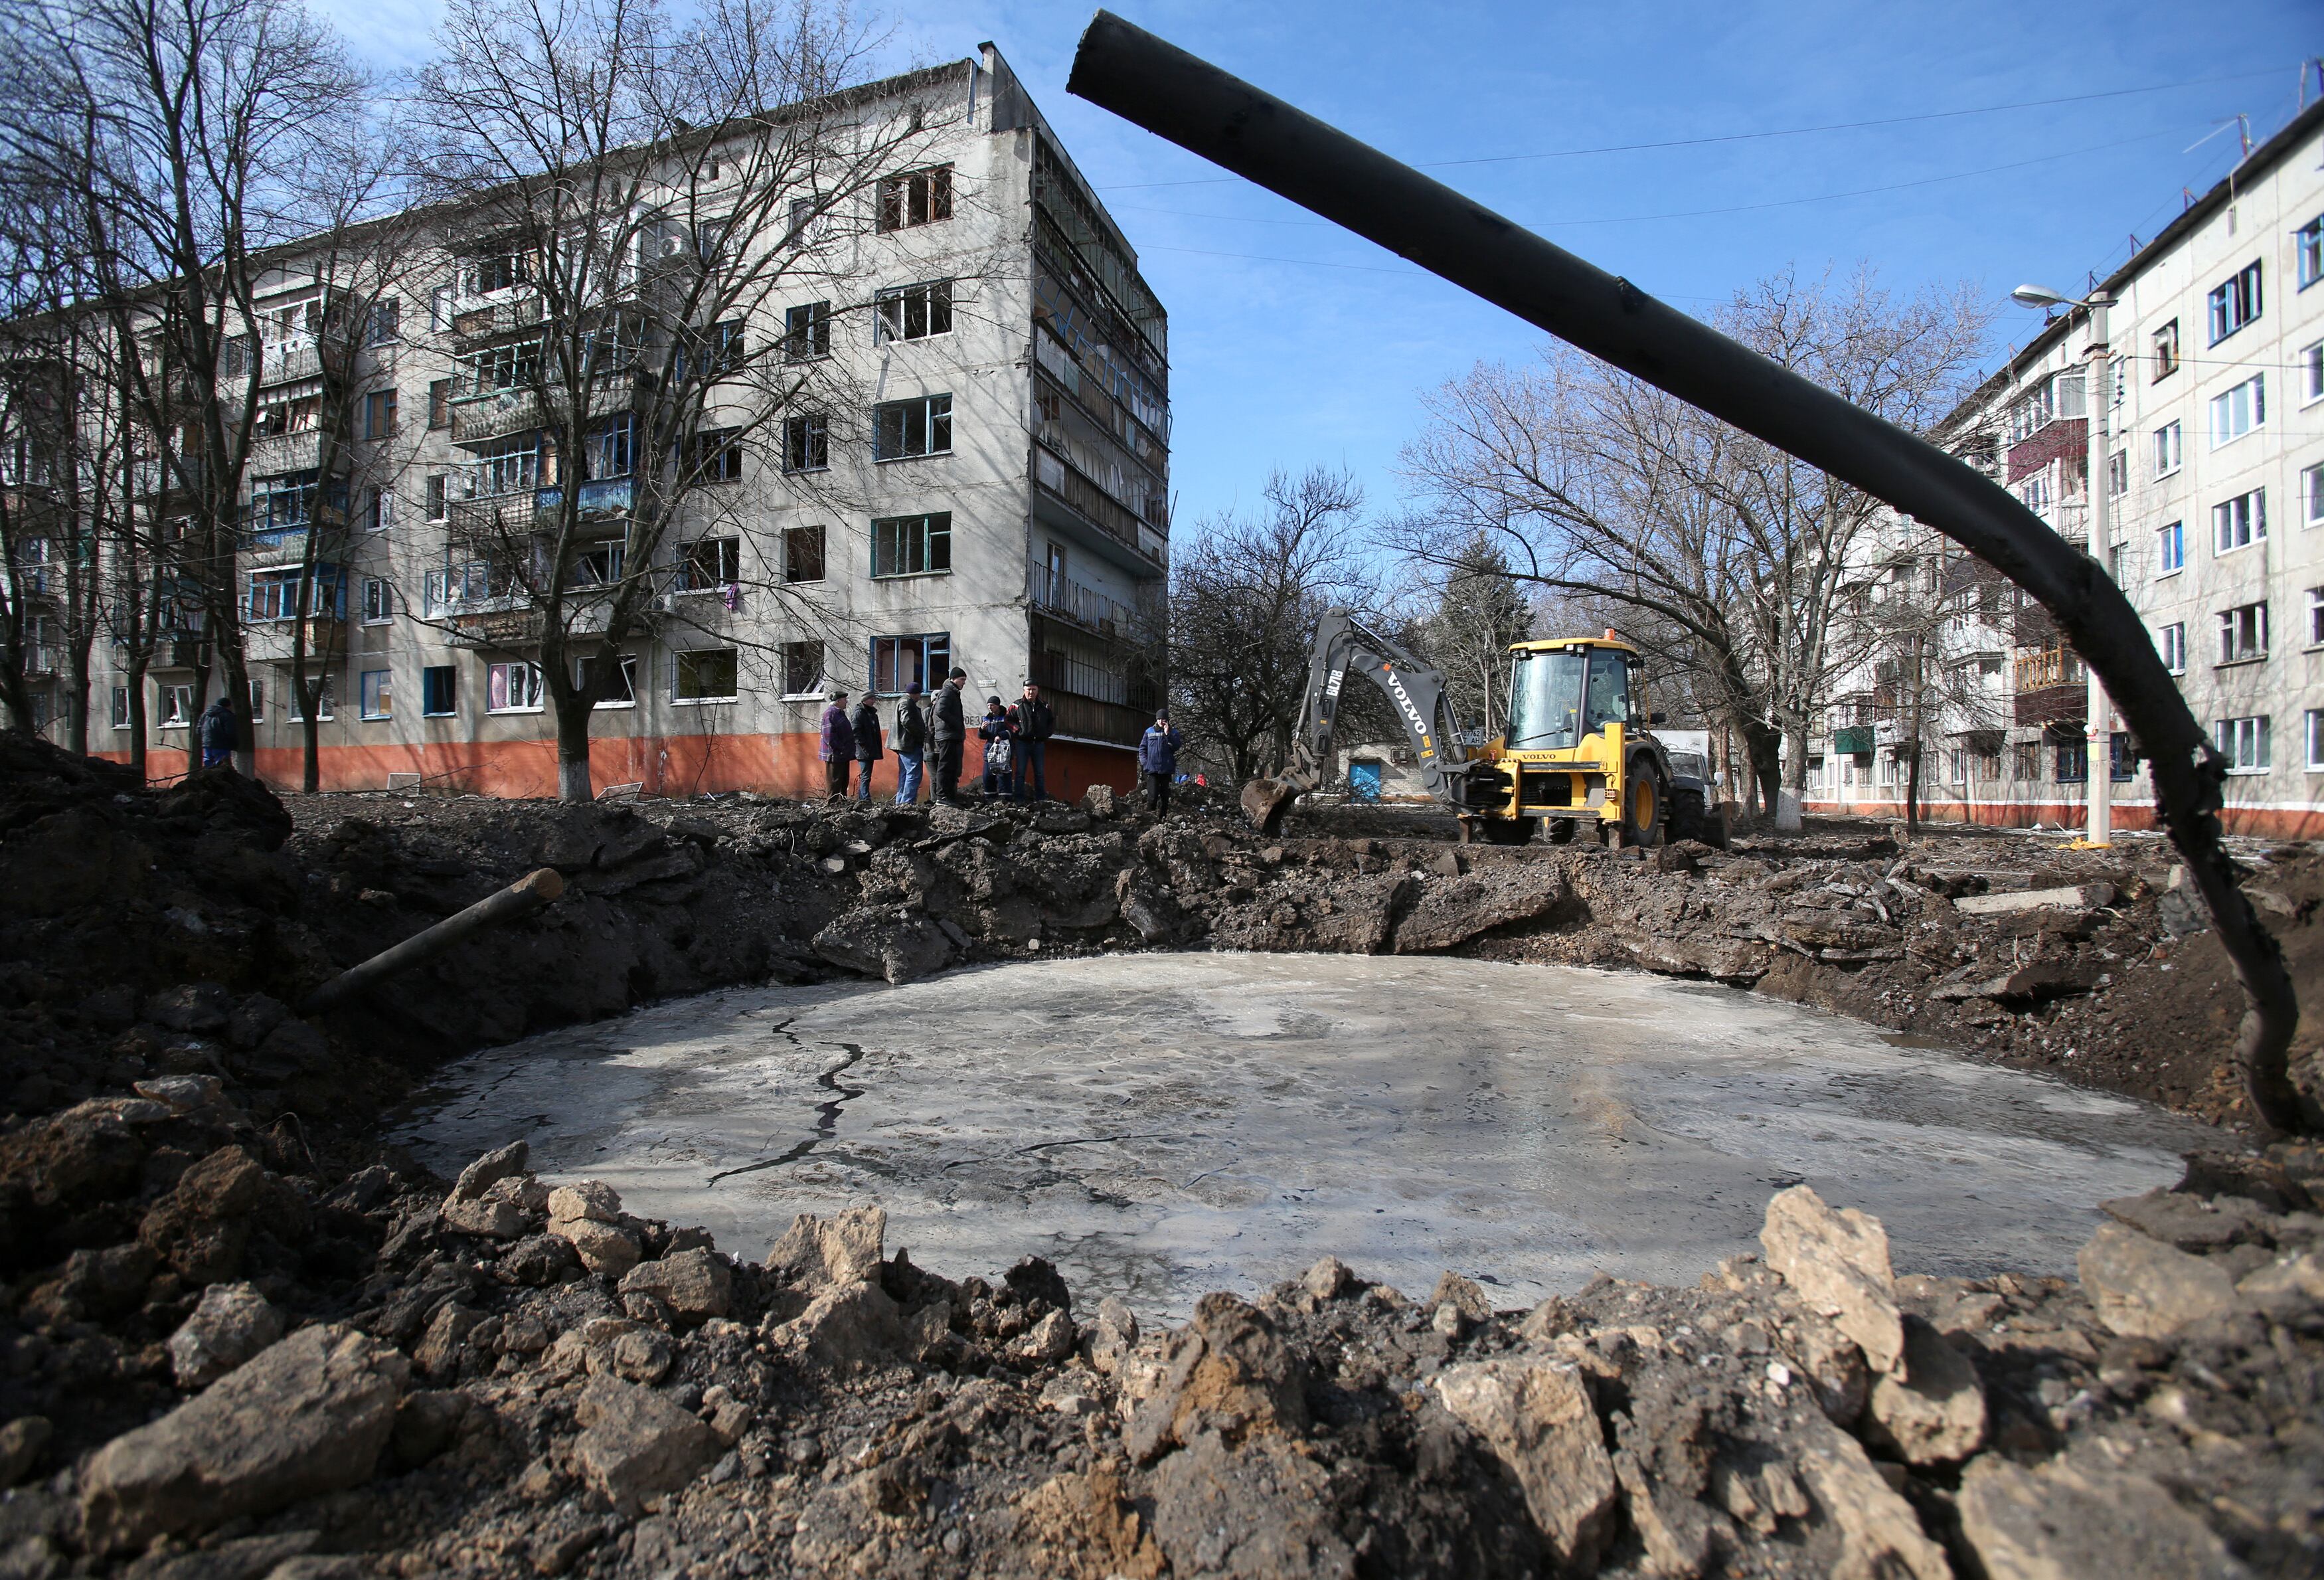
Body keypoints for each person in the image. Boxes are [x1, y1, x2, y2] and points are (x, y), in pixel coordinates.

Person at [1009, 681, 1054, 801]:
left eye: (1034, 689)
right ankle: (1019, 800)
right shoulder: (1017, 705)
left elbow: (1051, 721)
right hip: (1022, 743)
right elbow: (1008, 719)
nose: (1031, 692)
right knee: (1020, 772)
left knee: (1039, 773)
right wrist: (1018, 730)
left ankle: (1041, 800)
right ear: (1024, 690)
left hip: (1038, 743)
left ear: (1037, 691)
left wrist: (1046, 733)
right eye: (1028, 689)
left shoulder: (1044, 706)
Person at [932, 666, 968, 804]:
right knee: (946, 766)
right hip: (947, 735)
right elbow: (940, 710)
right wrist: (957, 724)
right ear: (954, 679)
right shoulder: (947, 692)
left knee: (952, 767)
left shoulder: (952, 692)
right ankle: (942, 797)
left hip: (951, 735)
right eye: (962, 680)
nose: (964, 683)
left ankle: (949, 797)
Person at [1138, 709, 1183, 815]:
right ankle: (1150, 817)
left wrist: (1168, 735)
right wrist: (1145, 763)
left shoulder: (1174, 732)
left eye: (1163, 719)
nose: (1161, 721)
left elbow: (1177, 746)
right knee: (1152, 796)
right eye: (1159, 719)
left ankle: (1162, 818)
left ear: (1167, 720)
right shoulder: (1149, 732)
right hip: (1153, 769)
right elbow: (1142, 749)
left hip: (1166, 769)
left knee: (1165, 797)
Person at [892, 681, 928, 805]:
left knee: (905, 773)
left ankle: (900, 803)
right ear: (916, 694)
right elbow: (906, 721)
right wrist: (920, 734)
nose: (920, 697)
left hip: (904, 744)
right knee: (914, 773)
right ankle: (908, 803)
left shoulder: (903, 702)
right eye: (919, 694)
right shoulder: (906, 703)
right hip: (908, 744)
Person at [817, 689, 855, 800]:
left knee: (843, 780)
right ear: (838, 701)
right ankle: (831, 806)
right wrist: (840, 749)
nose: (846, 702)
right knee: (835, 782)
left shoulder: (839, 713)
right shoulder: (830, 714)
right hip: (835, 755)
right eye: (844, 700)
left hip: (843, 754)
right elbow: (829, 736)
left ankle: (841, 804)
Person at [978, 695, 1017, 797]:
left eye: (992, 705)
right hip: (990, 750)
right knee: (988, 776)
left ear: (998, 706)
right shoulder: (987, 718)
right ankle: (990, 797)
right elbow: (982, 736)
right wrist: (982, 730)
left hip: (1004, 751)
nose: (990, 708)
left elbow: (1013, 732)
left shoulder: (1007, 718)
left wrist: (1001, 736)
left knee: (1003, 775)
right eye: (989, 705)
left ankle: (1005, 798)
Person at [849, 693, 883, 802]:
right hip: (863, 750)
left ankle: (862, 798)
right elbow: (856, 732)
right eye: (872, 699)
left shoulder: (870, 712)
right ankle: (865, 799)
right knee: (865, 776)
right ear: (865, 700)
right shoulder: (859, 713)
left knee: (866, 775)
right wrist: (864, 746)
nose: (874, 701)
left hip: (869, 748)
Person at [197, 694, 238, 771]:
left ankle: (209, 778)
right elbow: (230, 732)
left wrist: (204, 739)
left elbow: (199, 729)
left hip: (207, 743)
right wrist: (234, 743)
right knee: (222, 765)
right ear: (228, 706)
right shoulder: (227, 715)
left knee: (208, 763)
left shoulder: (205, 715)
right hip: (222, 744)